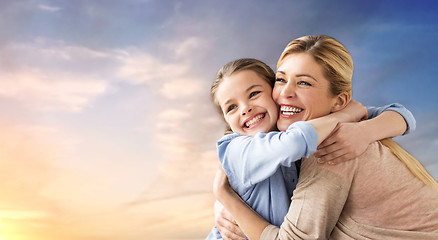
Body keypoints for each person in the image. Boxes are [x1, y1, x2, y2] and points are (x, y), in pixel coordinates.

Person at [213, 35, 438, 240]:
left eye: (304, 83)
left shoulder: (334, 146)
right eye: (281, 80)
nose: (286, 93)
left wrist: (226, 198)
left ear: (339, 101)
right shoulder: (332, 126)